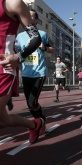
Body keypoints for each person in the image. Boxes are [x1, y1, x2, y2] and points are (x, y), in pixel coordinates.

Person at [0, 0, 43, 144]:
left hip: (4, 67)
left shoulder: (13, 3)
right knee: (3, 121)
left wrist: (18, 57)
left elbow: (36, 38)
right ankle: (34, 125)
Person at [15, 9, 55, 134]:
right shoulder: (20, 36)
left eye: (31, 16)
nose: (27, 17)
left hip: (39, 73)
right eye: (26, 15)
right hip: (26, 73)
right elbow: (17, 52)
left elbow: (53, 49)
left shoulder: (43, 34)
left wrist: (44, 48)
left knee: (32, 102)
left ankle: (38, 121)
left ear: (36, 20)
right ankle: (41, 120)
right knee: (30, 103)